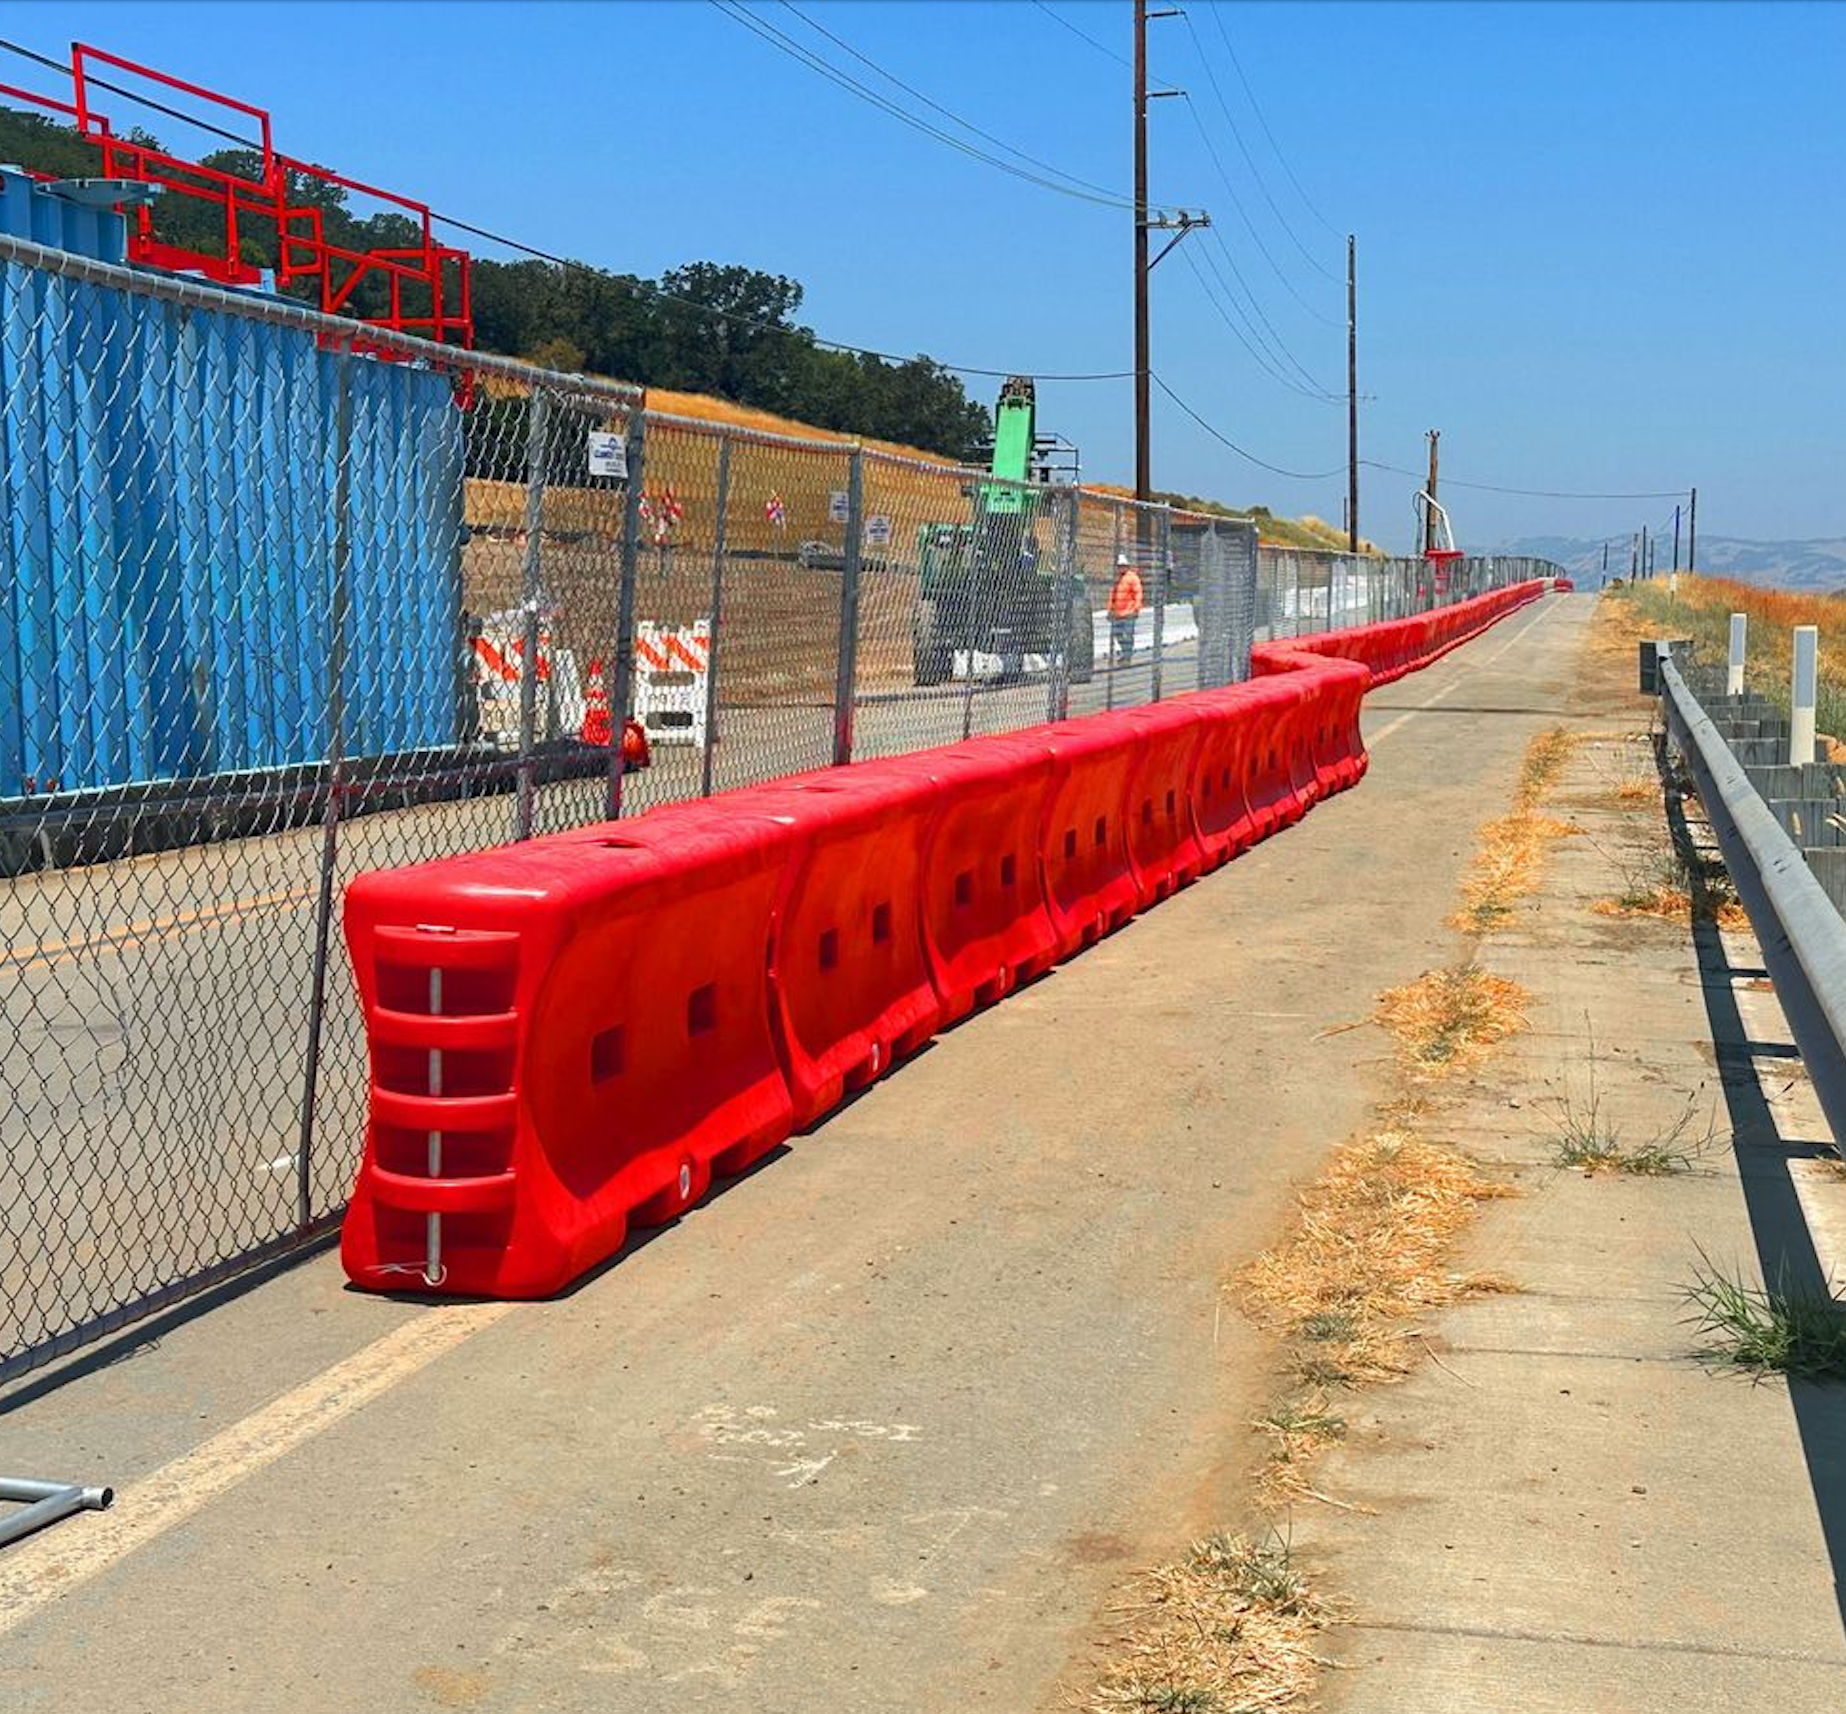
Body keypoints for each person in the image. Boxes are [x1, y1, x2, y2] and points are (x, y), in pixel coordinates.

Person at [1108, 556, 1144, 666]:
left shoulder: (1132, 578)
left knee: (1128, 635)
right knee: (1117, 633)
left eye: (1122, 566)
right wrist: (1110, 609)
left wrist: (1136, 608)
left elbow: (1138, 593)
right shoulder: (1117, 579)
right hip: (1118, 613)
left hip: (1129, 612)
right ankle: (1125, 652)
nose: (1120, 568)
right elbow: (1112, 595)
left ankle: (1127, 657)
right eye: (1119, 566)